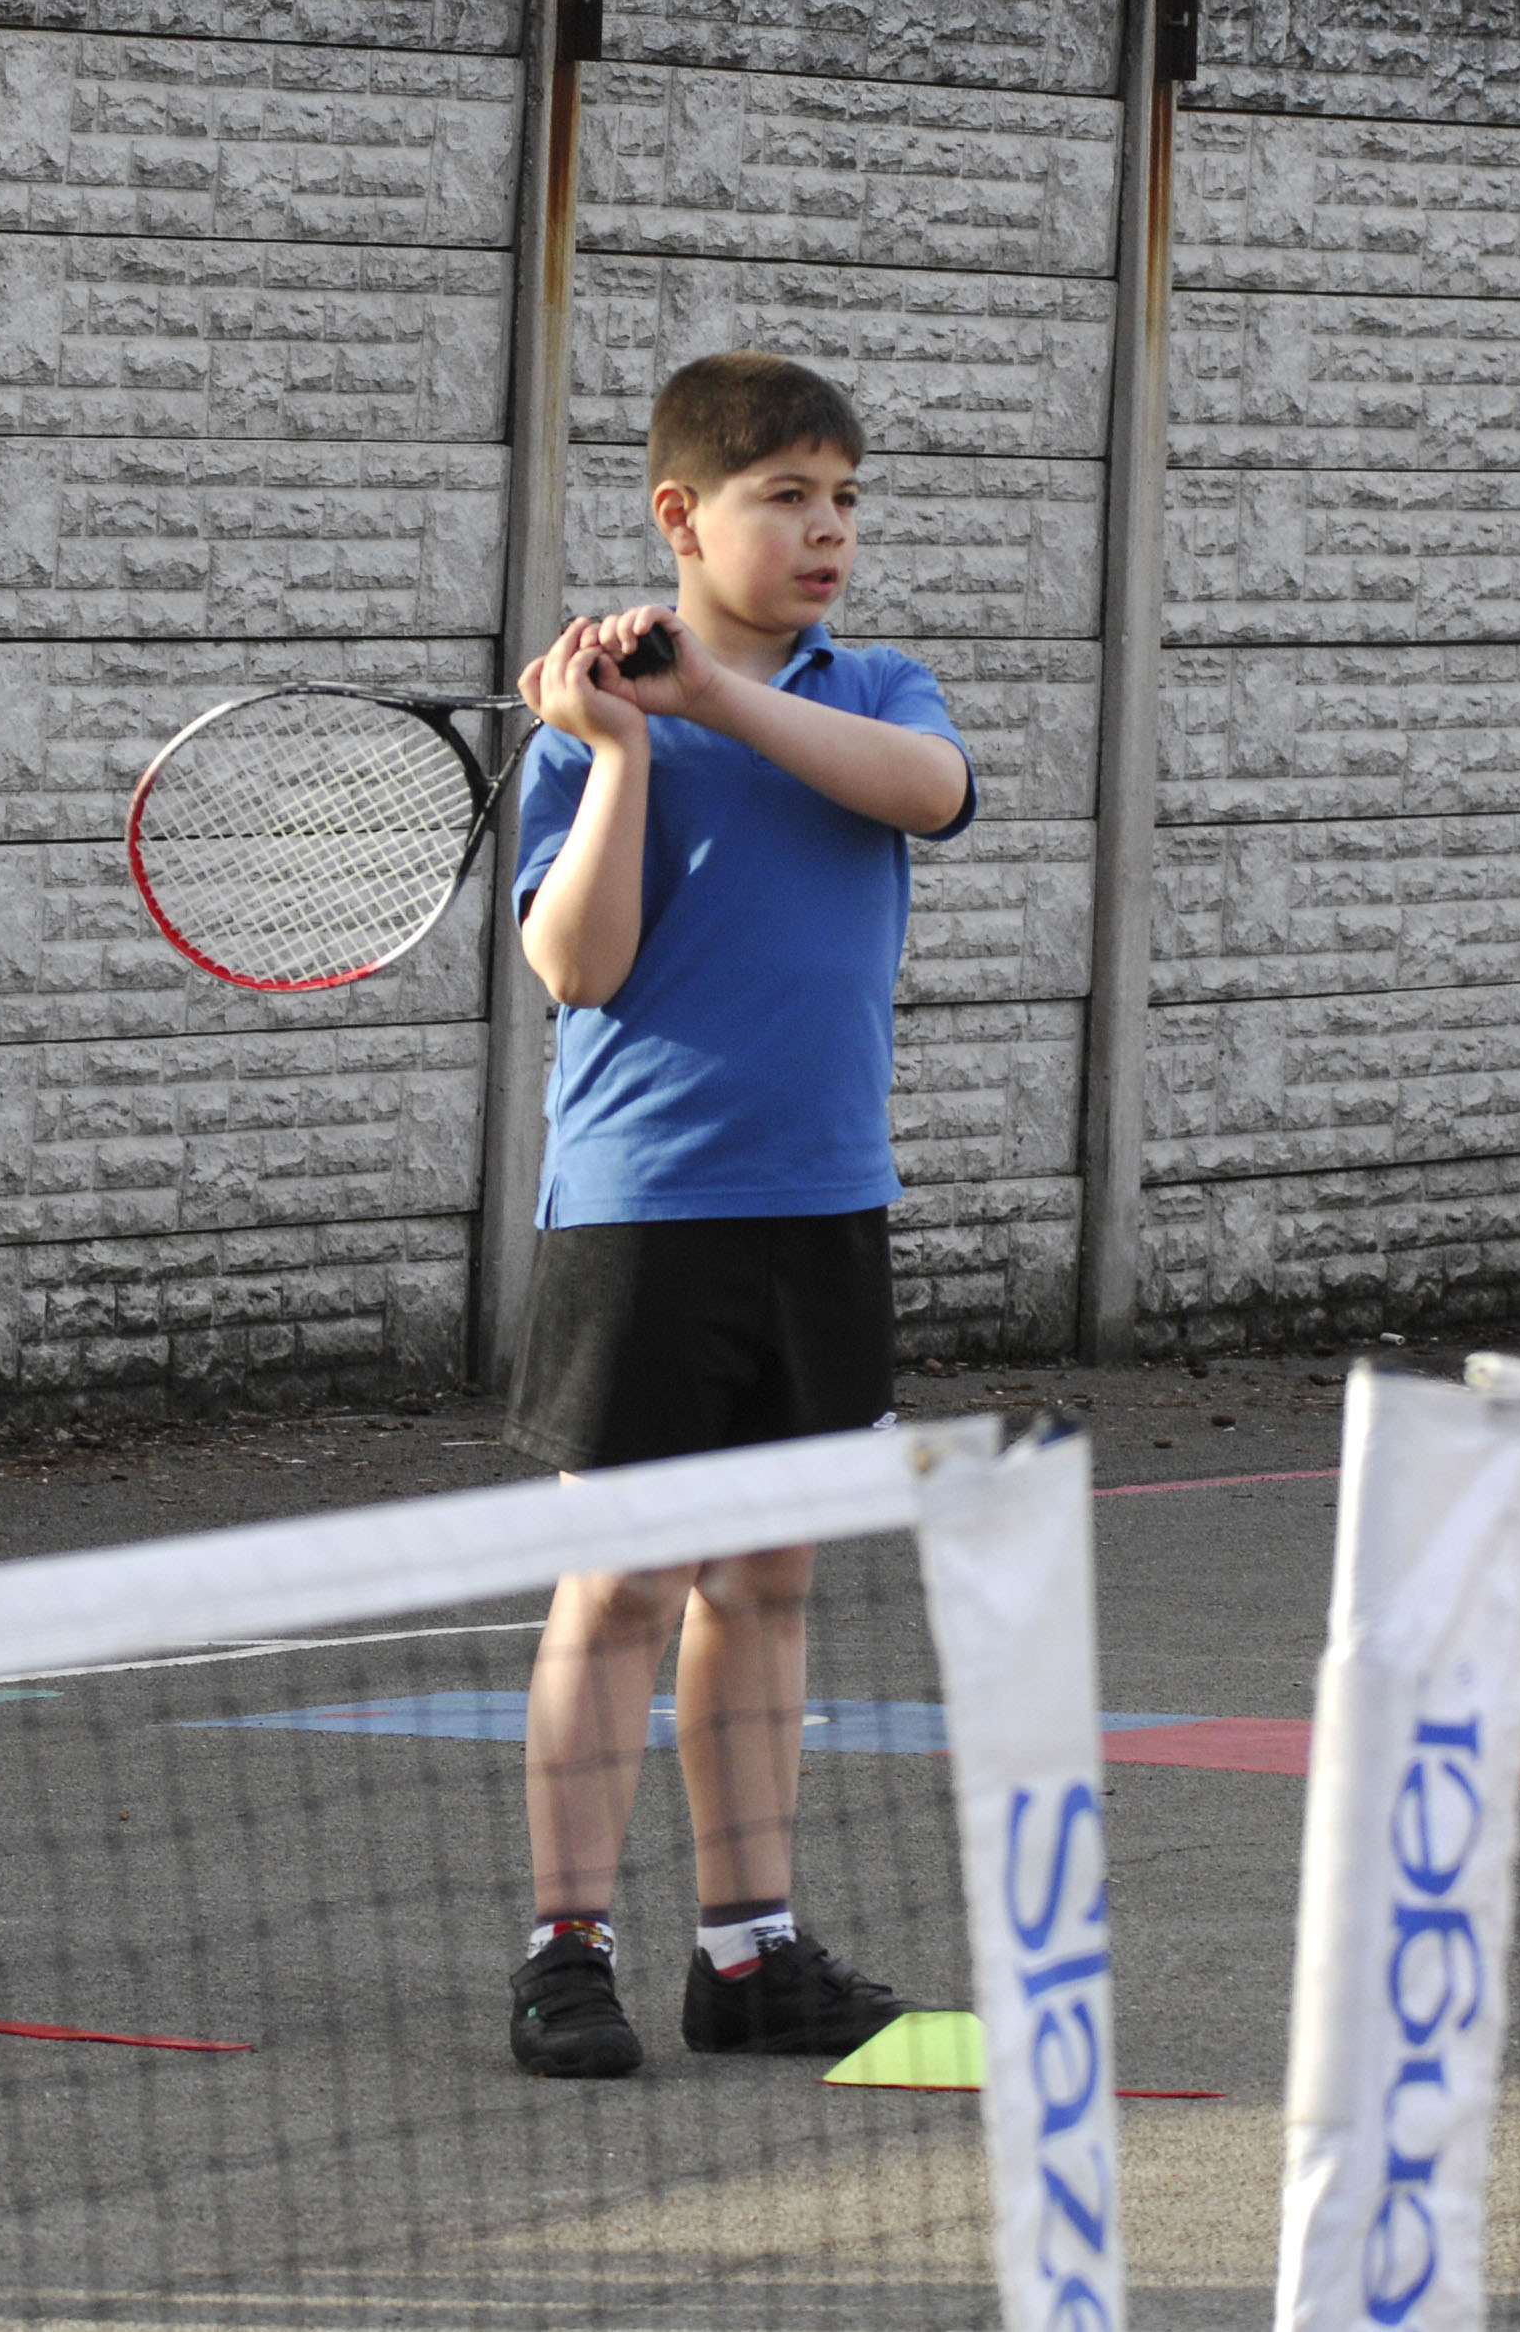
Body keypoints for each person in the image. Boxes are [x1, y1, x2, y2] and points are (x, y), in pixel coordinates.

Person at [497, 352, 978, 2078]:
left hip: (826, 1207)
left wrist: (710, 694)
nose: (827, 529)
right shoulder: (591, 729)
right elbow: (578, 963)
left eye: (845, 496)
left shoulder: (883, 691)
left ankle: (749, 1950)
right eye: (787, 496)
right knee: (619, 1583)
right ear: (682, 517)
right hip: (645, 1214)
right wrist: (625, 746)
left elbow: (925, 793)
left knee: (765, 1583)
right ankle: (567, 1945)